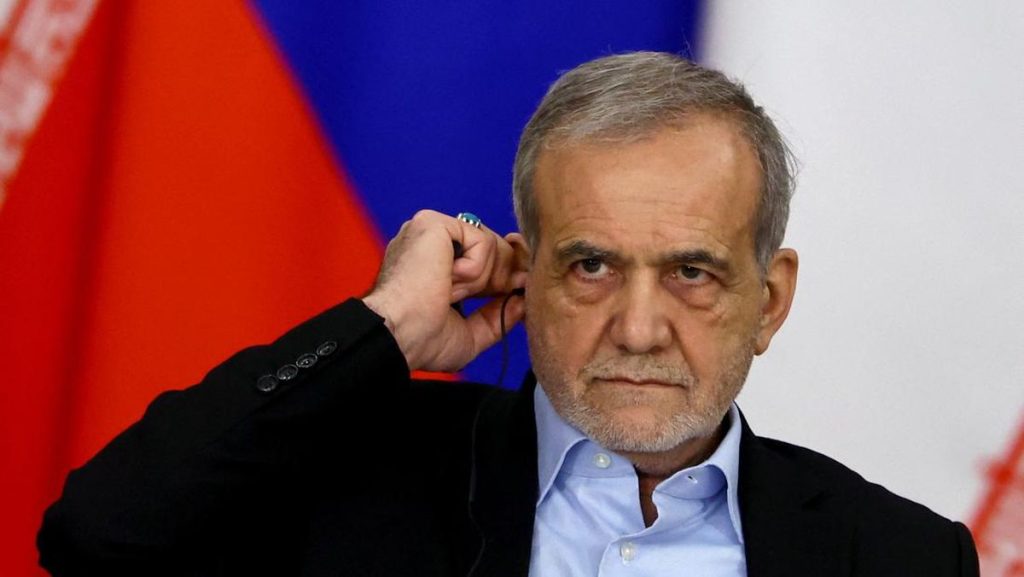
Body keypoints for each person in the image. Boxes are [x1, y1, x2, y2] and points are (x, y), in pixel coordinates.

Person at [38, 52, 978, 576]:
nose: (638, 328)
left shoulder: (900, 558)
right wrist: (384, 327)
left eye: (691, 272)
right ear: (524, 277)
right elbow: (98, 535)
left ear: (767, 301)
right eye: (592, 265)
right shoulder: (349, 472)